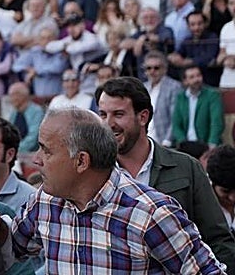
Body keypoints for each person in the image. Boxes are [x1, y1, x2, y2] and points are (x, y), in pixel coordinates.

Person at [0, 107, 225, 274]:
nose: (37, 160)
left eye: (46, 150)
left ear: (81, 161)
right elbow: (13, 248)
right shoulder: (46, 201)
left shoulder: (150, 214)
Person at [96, 76, 235, 271]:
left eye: (118, 114)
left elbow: (217, 239)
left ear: (143, 117)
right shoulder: (95, 172)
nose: (108, 124)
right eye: (102, 114)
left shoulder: (186, 167)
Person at [172, 64, 224, 147]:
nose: (197, 79)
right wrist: (182, 142)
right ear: (185, 81)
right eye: (192, 77)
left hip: (206, 144)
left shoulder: (212, 95)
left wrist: (212, 144)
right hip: (186, 144)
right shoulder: (180, 97)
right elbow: (176, 124)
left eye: (198, 75)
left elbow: (217, 122)